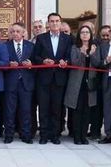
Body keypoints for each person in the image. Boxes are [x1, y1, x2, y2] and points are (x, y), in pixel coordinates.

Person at [32, 12, 72, 144]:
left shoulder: (67, 38)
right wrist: (43, 61)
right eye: (52, 21)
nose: (54, 23)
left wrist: (66, 61)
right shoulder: (41, 38)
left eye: (57, 21)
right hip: (44, 79)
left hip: (60, 78)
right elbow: (35, 57)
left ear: (60, 22)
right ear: (48, 23)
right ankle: (44, 135)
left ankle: (55, 135)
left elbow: (70, 56)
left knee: (57, 108)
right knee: (43, 108)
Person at [65, 25, 97, 145]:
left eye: (87, 32)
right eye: (82, 32)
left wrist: (92, 54)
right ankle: (76, 136)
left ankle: (84, 136)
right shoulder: (75, 47)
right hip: (77, 83)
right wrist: (83, 53)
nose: (85, 34)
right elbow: (75, 62)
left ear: (90, 34)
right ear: (79, 34)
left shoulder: (94, 47)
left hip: (90, 83)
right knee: (77, 110)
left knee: (87, 111)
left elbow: (97, 63)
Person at [4, 22, 34, 144]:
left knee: (26, 110)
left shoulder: (30, 46)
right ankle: (9, 135)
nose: (15, 33)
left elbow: (36, 61)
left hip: (26, 83)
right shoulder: (5, 46)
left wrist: (31, 65)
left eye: (18, 31)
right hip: (10, 82)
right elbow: (2, 61)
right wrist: (8, 64)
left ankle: (26, 135)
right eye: (13, 31)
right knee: (9, 111)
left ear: (23, 33)